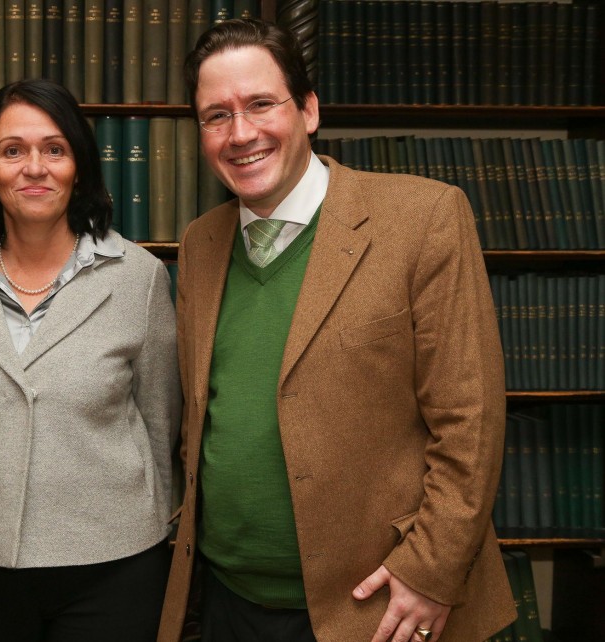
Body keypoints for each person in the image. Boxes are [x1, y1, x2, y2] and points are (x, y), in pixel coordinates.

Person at [157, 18, 517, 642]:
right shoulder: (201, 243)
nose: (240, 134)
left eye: (260, 104)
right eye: (216, 115)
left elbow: (472, 420)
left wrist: (430, 571)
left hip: (376, 607)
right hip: (224, 601)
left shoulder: (424, 218)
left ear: (310, 109)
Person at [0, 78, 181, 642]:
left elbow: (160, 428)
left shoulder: (140, 279)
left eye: (54, 149)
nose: (33, 167)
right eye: (13, 150)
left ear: (79, 167)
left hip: (115, 567)